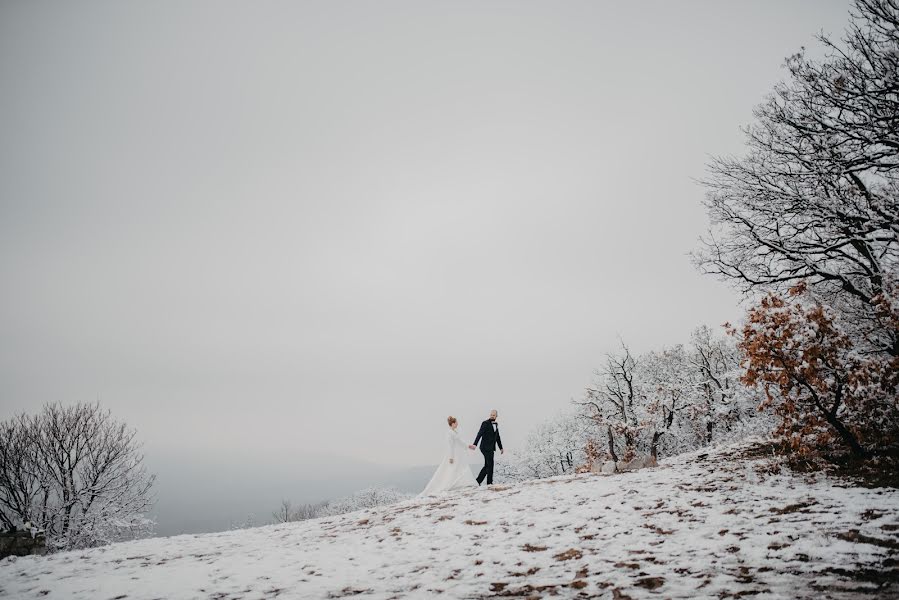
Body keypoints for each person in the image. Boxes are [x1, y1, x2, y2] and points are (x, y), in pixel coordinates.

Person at [420, 416, 478, 495]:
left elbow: (460, 442)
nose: (457, 424)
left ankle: (462, 483)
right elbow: (450, 445)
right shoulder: (450, 433)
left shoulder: (454, 432)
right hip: (454, 454)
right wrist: (451, 457)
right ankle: (450, 483)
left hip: (458, 454)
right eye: (456, 422)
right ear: (453, 423)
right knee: (452, 469)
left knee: (460, 467)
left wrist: (468, 446)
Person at [469, 409, 503, 485]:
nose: (492, 416)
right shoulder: (485, 423)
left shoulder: (496, 424)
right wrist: (475, 444)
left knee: (488, 465)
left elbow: (497, 437)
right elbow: (479, 433)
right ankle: (489, 483)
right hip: (484, 447)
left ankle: (478, 482)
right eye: (491, 414)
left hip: (491, 448)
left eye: (493, 415)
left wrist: (501, 447)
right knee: (490, 465)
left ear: (496, 416)